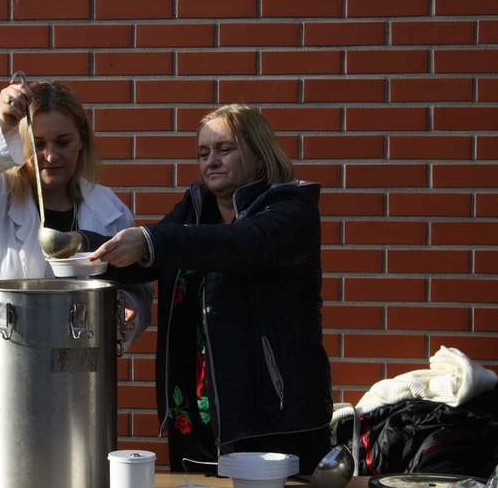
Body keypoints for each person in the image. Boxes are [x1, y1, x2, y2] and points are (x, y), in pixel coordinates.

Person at [0, 79, 152, 466]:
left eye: (63, 142)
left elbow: (131, 285)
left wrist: (129, 307)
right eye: (36, 143)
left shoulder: (109, 212)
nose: (50, 156)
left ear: (82, 141)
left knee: (67, 467)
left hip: (72, 386)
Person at [87, 104, 333, 474]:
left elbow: (238, 244)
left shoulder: (291, 208)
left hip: (274, 419)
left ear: (260, 155)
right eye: (203, 153)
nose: (211, 161)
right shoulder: (193, 211)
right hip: (195, 415)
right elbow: (140, 258)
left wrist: (153, 239)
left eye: (225, 149)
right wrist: (83, 246)